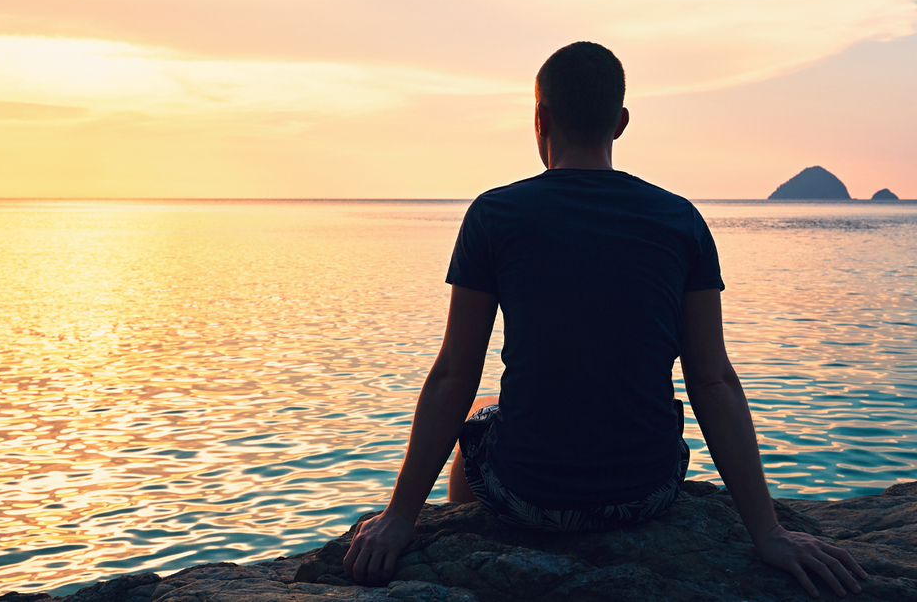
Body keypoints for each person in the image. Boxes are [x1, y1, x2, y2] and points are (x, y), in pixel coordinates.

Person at [342, 42, 868, 598]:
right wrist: (768, 531)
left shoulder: (494, 214)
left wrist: (401, 516)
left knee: (476, 414)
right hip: (646, 493)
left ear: (540, 118)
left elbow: (454, 374)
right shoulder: (680, 219)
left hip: (528, 500)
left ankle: (479, 550)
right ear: (620, 123)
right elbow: (712, 380)